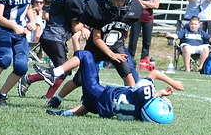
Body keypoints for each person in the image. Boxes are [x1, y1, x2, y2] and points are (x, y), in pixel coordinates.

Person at [45, 49, 182, 122]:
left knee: (85, 55)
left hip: (98, 93)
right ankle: (64, 114)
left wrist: (173, 83)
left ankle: (54, 73)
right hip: (101, 107)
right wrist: (160, 93)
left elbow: (155, 74)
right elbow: (143, 103)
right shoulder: (138, 115)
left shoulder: (143, 94)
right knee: (87, 106)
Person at [17, 0, 88, 98]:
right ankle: (31, 80)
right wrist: (86, 23)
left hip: (50, 37)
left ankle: (43, 91)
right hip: (55, 38)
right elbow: (75, 27)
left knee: (64, 69)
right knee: (63, 70)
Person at [128, 0, 160, 66]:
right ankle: (130, 60)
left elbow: (156, 5)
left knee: (147, 42)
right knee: (133, 41)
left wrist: (144, 2)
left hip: (148, 19)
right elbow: (137, 3)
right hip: (137, 18)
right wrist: (149, 4)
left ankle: (144, 60)